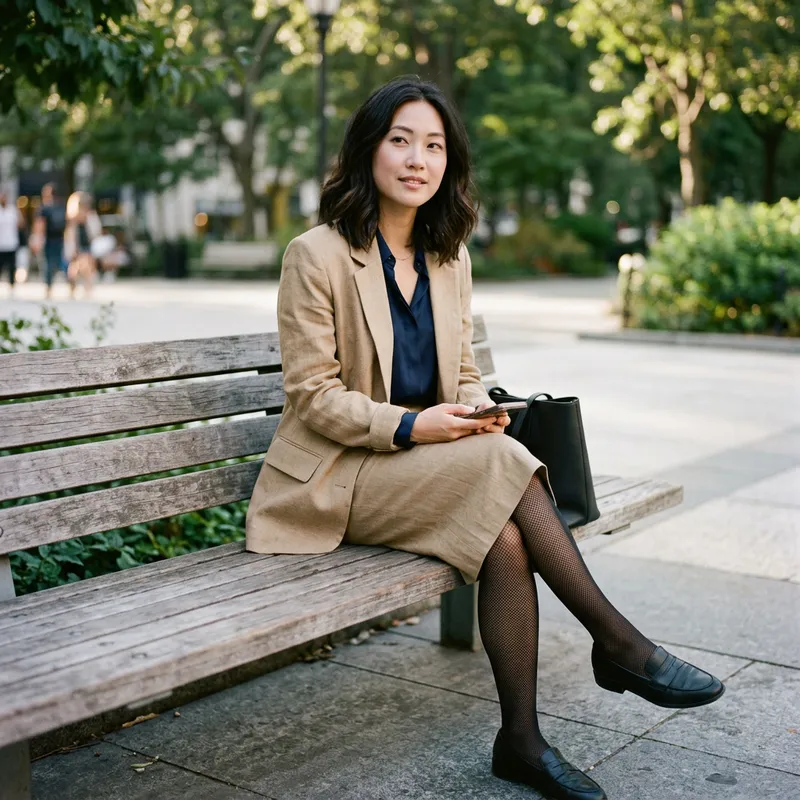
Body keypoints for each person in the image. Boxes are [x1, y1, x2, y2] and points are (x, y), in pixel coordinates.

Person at [245, 77, 724, 800]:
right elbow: (314, 400)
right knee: (504, 472)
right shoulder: (315, 256)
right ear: (368, 150)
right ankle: (619, 643)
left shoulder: (449, 254)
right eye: (400, 140)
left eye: (434, 145)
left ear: (449, 163)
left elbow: (463, 373)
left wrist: (471, 412)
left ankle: (522, 742)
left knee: (504, 532)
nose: (417, 159)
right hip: (341, 476)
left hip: (434, 464)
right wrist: (413, 424)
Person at [32, 183, 68, 298]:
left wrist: (37, 239)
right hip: (60, 238)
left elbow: (40, 224)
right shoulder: (61, 206)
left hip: (48, 239)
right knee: (59, 261)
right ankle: (71, 284)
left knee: (47, 263)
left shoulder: (44, 208)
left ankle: (48, 287)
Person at [64, 191, 102, 298]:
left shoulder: (90, 216)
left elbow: (95, 231)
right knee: (74, 268)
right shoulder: (73, 218)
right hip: (76, 245)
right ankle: (75, 288)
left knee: (87, 266)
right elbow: (70, 234)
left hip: (86, 244)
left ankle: (87, 288)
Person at [0, 192, 24, 295]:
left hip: (11, 243)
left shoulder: (13, 210)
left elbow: (21, 224)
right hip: (1, 244)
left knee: (11, 266)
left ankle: (12, 286)